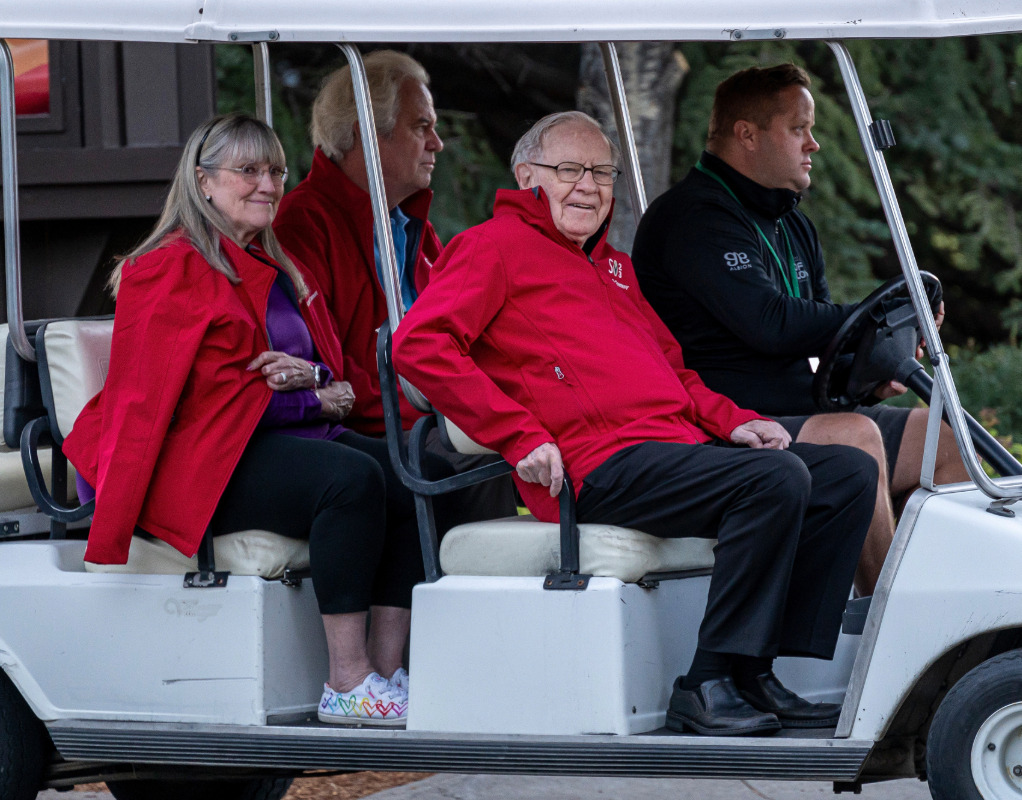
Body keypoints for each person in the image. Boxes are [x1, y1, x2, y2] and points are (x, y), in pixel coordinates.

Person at [394, 111, 877, 736]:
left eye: (601, 172)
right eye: (569, 170)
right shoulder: (491, 248)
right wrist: (519, 435)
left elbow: (676, 373)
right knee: (772, 479)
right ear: (526, 176)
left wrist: (736, 422)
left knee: (846, 472)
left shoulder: (613, 269)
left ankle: (755, 669)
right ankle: (704, 683)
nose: (588, 186)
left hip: (669, 451)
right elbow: (420, 344)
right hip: (591, 466)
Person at [64, 113, 437, 727]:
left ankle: (385, 673)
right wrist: (312, 397)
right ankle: (346, 681)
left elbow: (318, 367)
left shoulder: (272, 265)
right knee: (349, 481)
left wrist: (316, 383)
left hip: (267, 440)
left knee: (411, 473)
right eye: (248, 171)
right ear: (204, 182)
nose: (268, 184)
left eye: (275, 171)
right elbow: (178, 398)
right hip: (194, 462)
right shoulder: (170, 268)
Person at [631, 64, 970, 596]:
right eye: (798, 129)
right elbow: (769, 325)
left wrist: (869, 370)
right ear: (747, 134)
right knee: (854, 438)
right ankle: (897, 627)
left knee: (945, 437)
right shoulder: (692, 218)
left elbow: (825, 336)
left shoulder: (791, 222)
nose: (813, 144)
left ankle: (956, 606)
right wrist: (877, 315)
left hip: (798, 413)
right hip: (722, 424)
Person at [274, 50, 515, 524]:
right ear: (367, 131)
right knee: (485, 463)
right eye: (421, 126)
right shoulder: (302, 225)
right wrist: (449, 416)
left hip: (424, 418)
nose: (438, 144)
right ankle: (476, 594)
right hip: (367, 428)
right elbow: (327, 366)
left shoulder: (413, 227)